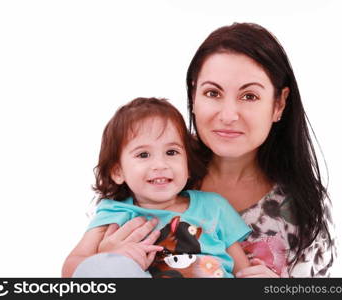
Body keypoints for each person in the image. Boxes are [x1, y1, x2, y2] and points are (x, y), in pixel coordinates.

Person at [67, 22, 336, 278]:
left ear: (278, 104)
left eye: (249, 96)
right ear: (193, 96)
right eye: (212, 93)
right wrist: (105, 261)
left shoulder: (303, 205)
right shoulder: (145, 176)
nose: (228, 115)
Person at [62, 97, 251, 278]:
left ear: (188, 164)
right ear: (118, 171)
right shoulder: (115, 212)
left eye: (171, 152)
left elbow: (244, 272)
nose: (160, 164)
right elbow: (71, 269)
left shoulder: (214, 206)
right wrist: (109, 258)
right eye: (143, 155)